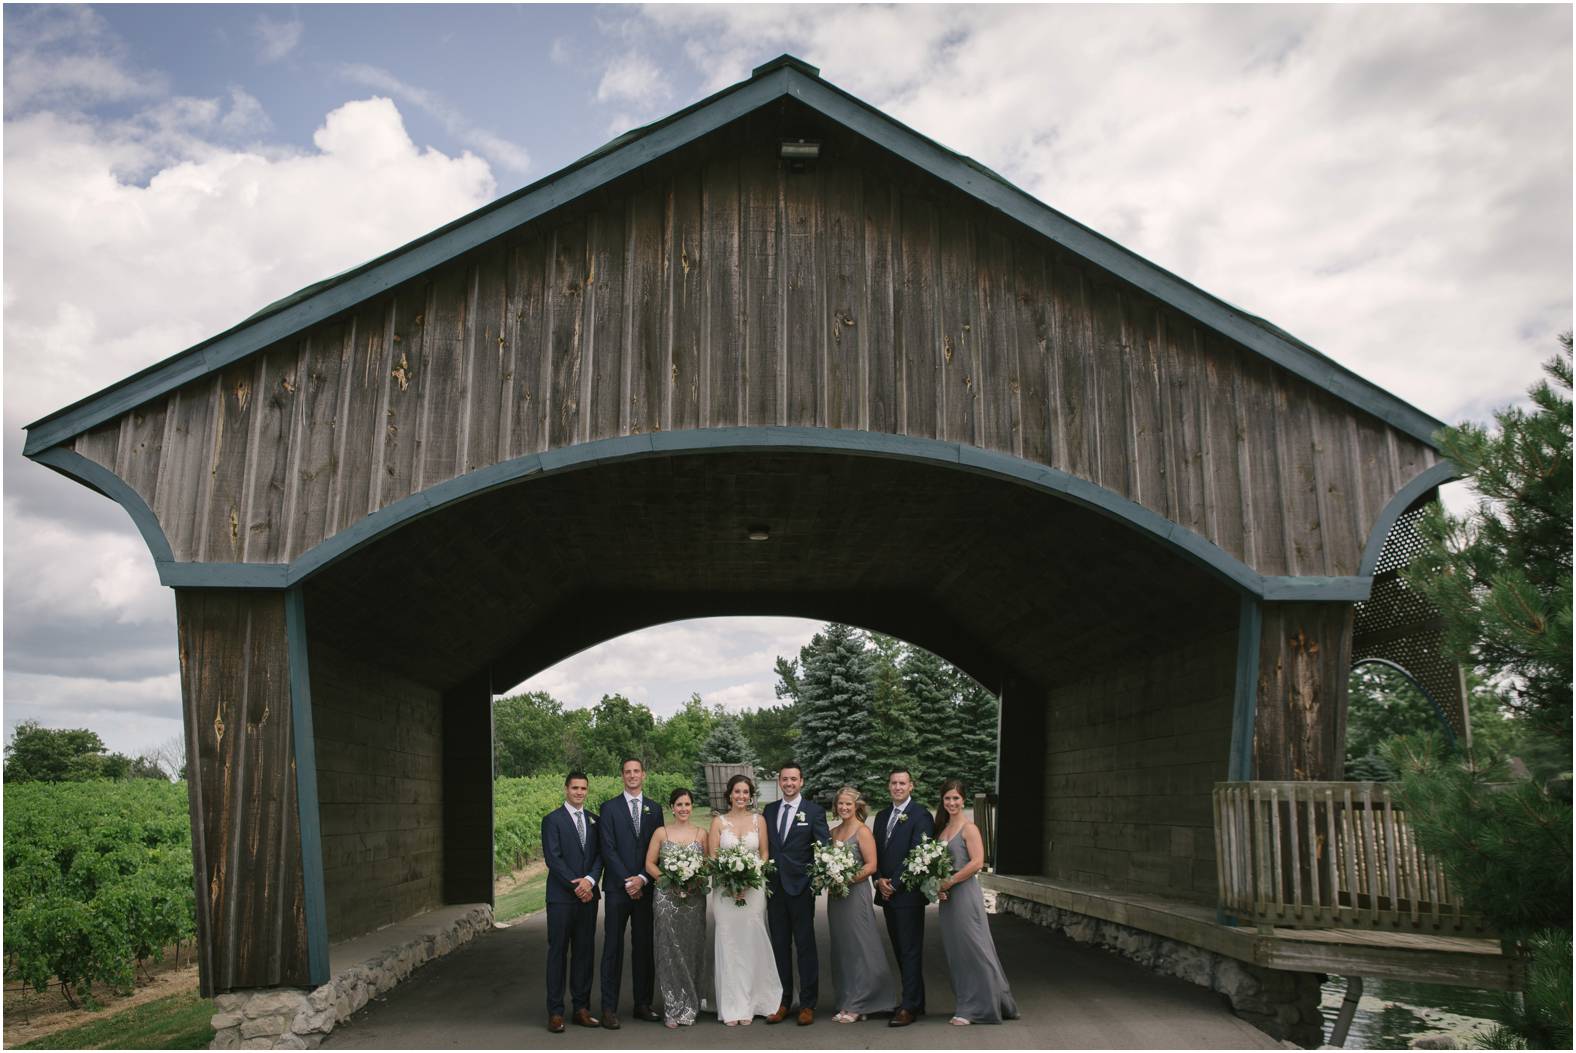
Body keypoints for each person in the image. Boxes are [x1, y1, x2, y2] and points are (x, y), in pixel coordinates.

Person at [934, 779, 1018, 1026]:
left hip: (965, 894)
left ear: (963, 800)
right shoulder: (942, 830)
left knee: (974, 949)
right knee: (956, 952)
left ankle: (979, 1008)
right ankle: (974, 1002)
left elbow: (976, 863)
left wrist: (949, 881)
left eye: (956, 798)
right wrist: (938, 885)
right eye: (947, 798)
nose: (951, 803)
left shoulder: (969, 829)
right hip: (947, 898)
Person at [707, 773, 783, 1025]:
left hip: (753, 890)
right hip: (725, 893)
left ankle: (754, 1001)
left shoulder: (758, 820)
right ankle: (732, 1005)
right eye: (737, 792)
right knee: (729, 943)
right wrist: (730, 882)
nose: (741, 796)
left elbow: (763, 853)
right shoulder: (718, 822)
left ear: (751, 796)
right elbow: (713, 858)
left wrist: (749, 878)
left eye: (745, 792)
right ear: (729, 794)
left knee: (752, 941)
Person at [762, 761, 830, 1026]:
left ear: (802, 781)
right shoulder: (769, 811)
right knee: (779, 946)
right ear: (779, 782)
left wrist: (812, 881)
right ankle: (783, 1000)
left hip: (801, 889)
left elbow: (823, 849)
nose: (789, 783)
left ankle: (808, 1004)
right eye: (784, 779)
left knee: (805, 946)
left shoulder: (813, 812)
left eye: (793, 779)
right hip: (774, 889)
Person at [598, 757, 663, 1028]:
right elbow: (607, 848)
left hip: (645, 888)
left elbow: (658, 848)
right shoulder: (609, 808)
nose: (632, 775)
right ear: (622, 776)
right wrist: (628, 880)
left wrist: (642, 879)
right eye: (628, 772)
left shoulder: (654, 809)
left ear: (644, 775)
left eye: (637, 771)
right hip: (617, 889)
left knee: (644, 947)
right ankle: (609, 1008)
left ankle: (643, 1004)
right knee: (612, 947)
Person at [825, 785, 898, 1023]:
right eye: (840, 804)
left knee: (860, 946)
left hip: (855, 895)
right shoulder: (834, 833)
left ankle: (862, 1002)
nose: (844, 807)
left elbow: (871, 866)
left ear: (857, 806)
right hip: (836, 898)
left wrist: (845, 878)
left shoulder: (863, 831)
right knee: (842, 948)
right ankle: (847, 1000)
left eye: (849, 804)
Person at [872, 767, 934, 1027]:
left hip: (907, 895)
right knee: (899, 949)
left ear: (911, 786)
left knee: (910, 950)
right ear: (889, 786)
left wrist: (894, 883)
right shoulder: (882, 815)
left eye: (902, 783)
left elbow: (918, 854)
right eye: (894, 783)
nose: (897, 787)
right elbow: (877, 852)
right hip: (886, 893)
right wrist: (879, 880)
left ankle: (909, 1006)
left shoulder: (921, 815)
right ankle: (915, 1001)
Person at [541, 772, 603, 1033]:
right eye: (575, 788)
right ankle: (556, 1012)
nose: (579, 792)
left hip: (588, 897)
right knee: (558, 953)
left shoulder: (595, 821)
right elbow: (552, 858)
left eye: (583, 788)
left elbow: (601, 855)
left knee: (584, 953)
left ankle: (581, 1008)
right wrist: (577, 886)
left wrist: (590, 880)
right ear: (566, 789)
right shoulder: (552, 820)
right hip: (561, 898)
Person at [643, 787, 709, 1028]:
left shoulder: (702, 833)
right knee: (668, 950)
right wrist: (669, 880)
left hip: (692, 899)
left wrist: (694, 879)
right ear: (672, 807)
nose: (683, 809)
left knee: (691, 947)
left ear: (692, 807)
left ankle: (691, 1002)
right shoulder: (661, 832)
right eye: (679, 805)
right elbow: (649, 863)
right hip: (666, 897)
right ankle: (672, 1006)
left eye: (687, 805)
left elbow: (708, 864)